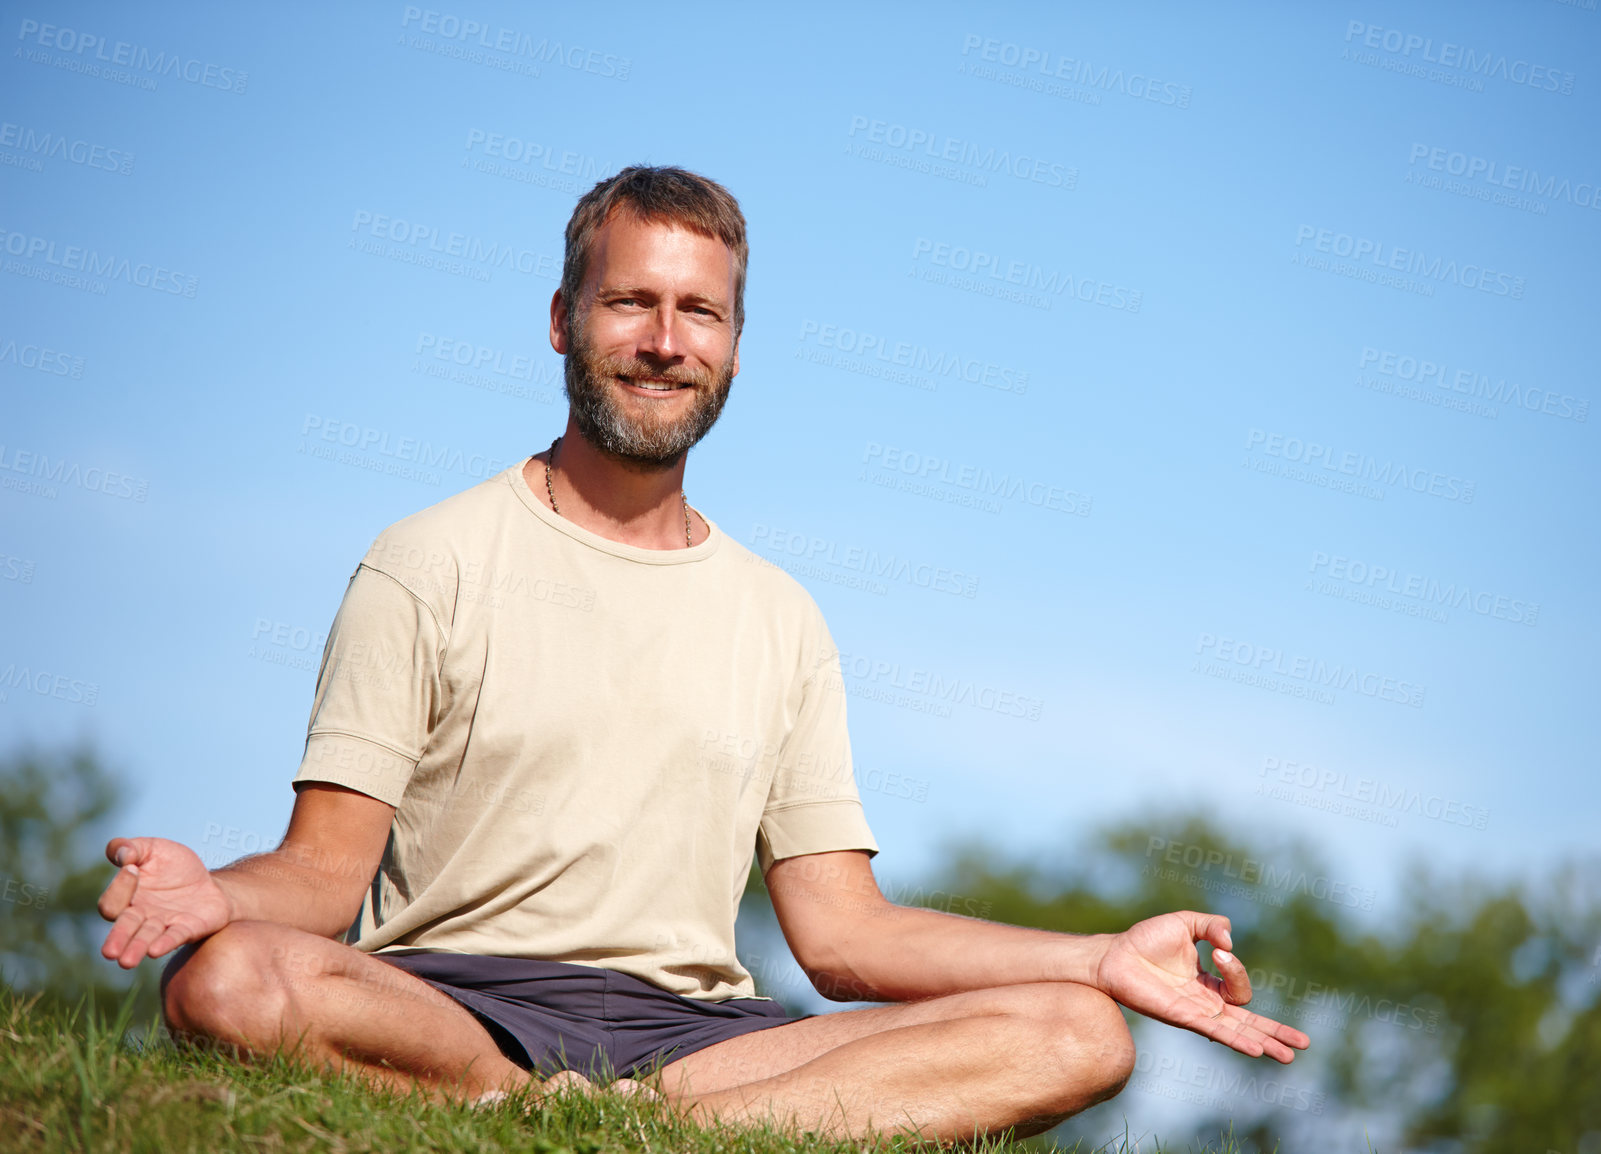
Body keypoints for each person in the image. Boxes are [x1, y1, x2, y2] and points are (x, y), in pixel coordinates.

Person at [96, 165, 1307, 1143]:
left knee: (1077, 1033)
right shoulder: (427, 558)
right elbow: (320, 872)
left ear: (734, 346)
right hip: (450, 1002)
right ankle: (535, 1105)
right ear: (566, 319)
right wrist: (219, 893)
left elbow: (843, 935)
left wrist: (1100, 954)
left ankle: (620, 1126)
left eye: (700, 312)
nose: (665, 340)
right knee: (232, 978)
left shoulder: (780, 615)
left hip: (704, 1041)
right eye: (631, 302)